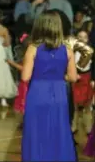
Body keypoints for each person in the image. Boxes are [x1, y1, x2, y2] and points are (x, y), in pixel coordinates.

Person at [22, 11, 77, 161]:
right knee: (59, 131)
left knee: (36, 132)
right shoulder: (68, 50)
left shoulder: (33, 48)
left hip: (38, 93)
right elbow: (73, 77)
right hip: (59, 94)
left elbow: (25, 77)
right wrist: (58, 76)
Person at [71, 29, 93, 135]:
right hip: (76, 79)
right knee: (75, 106)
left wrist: (93, 79)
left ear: (88, 39)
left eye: (84, 37)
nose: (81, 39)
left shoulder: (91, 52)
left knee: (87, 106)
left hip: (87, 79)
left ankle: (88, 129)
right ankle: (73, 128)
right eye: (79, 36)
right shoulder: (72, 51)